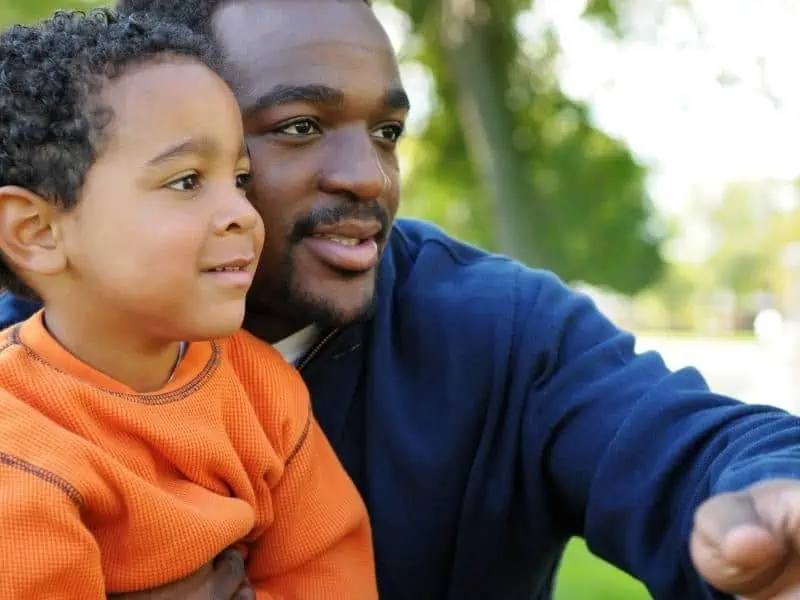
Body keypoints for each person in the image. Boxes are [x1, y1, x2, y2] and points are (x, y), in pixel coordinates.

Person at [6, 0, 800, 598]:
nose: (368, 177)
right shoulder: (28, 374)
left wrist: (768, 499)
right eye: (298, 126)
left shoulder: (501, 331)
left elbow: (683, 443)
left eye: (386, 131)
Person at [0, 9, 377, 599]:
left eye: (240, 179)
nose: (242, 215)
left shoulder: (260, 388)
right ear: (36, 231)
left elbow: (329, 573)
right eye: (186, 181)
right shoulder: (18, 447)